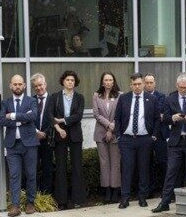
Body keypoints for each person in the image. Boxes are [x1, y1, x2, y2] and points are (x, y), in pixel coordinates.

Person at [152, 73, 186, 213]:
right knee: (171, 172)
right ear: (177, 86)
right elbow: (164, 119)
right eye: (181, 87)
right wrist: (173, 118)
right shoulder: (169, 98)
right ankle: (165, 202)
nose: (183, 90)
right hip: (176, 141)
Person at [114, 73, 160, 208]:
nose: (137, 86)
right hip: (127, 140)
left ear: (144, 84)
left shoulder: (152, 99)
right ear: (131, 85)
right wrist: (119, 136)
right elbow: (117, 118)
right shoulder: (123, 98)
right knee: (127, 169)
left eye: (140, 84)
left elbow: (157, 119)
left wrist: (154, 136)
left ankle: (142, 197)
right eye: (134, 84)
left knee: (144, 169)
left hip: (145, 139)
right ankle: (125, 198)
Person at [0, 74, 39, 217]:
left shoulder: (32, 100)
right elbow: (1, 119)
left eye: (20, 84)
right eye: (15, 84)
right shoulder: (5, 102)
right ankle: (15, 206)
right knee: (14, 175)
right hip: (12, 145)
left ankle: (30, 203)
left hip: (30, 144)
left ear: (24, 85)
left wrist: (13, 116)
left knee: (31, 174)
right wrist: (22, 119)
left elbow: (33, 116)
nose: (18, 86)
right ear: (10, 86)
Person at [50, 70, 86, 209]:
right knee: (61, 167)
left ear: (75, 82)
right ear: (63, 81)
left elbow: (79, 115)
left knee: (77, 167)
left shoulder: (80, 97)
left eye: (72, 80)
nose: (70, 82)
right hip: (60, 134)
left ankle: (78, 200)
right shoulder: (55, 97)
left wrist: (63, 120)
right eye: (67, 80)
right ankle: (62, 201)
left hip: (75, 134)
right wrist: (59, 128)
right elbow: (50, 115)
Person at [92, 72, 121, 203]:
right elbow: (96, 115)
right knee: (104, 163)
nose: (108, 82)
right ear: (102, 82)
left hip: (115, 133)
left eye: (110, 80)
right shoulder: (96, 95)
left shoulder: (120, 95)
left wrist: (112, 128)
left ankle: (115, 190)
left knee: (115, 163)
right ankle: (107, 190)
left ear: (113, 82)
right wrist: (109, 125)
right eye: (106, 80)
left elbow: (120, 114)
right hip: (100, 133)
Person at [143, 73, 169, 195]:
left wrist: (153, 115)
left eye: (151, 82)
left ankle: (166, 190)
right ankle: (149, 190)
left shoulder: (161, 96)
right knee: (147, 164)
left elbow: (159, 112)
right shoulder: (139, 97)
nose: (149, 85)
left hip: (160, 135)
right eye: (147, 82)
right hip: (145, 135)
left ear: (155, 83)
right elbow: (155, 114)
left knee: (163, 162)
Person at [31, 73, 55, 196]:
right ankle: (33, 196)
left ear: (45, 84)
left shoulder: (53, 100)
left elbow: (54, 119)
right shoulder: (30, 100)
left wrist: (44, 133)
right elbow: (28, 119)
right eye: (35, 86)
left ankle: (46, 196)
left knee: (47, 168)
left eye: (40, 85)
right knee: (33, 169)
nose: (39, 88)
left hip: (48, 139)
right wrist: (36, 132)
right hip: (33, 139)